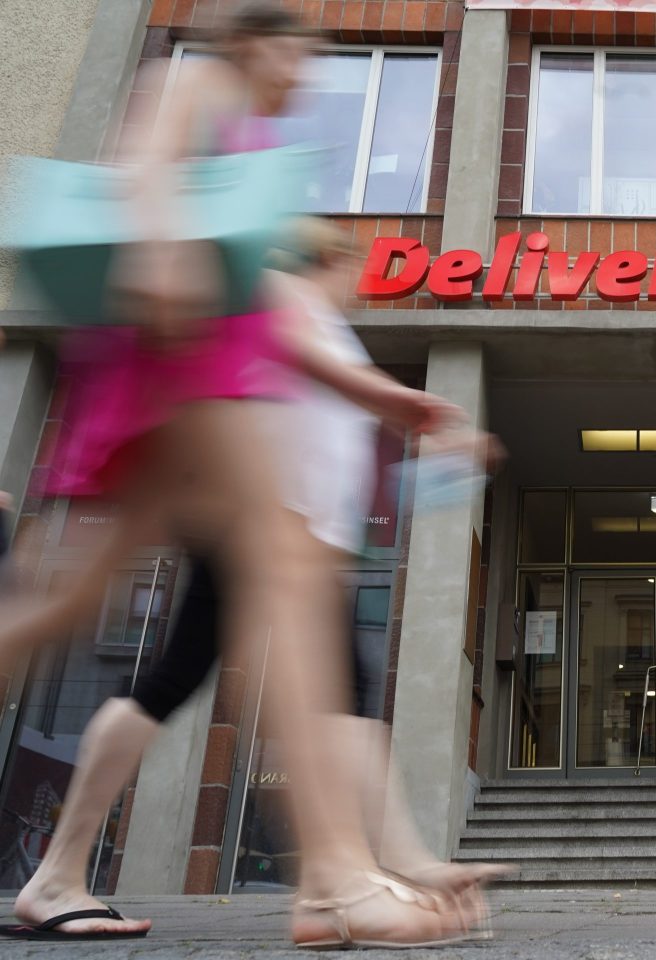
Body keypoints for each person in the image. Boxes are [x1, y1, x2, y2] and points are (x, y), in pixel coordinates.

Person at [0, 2, 474, 947]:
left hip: (197, 374)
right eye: (298, 55)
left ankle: (320, 881)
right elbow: (146, 174)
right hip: (189, 368)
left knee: (62, 606)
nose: (305, 75)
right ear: (258, 44)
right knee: (285, 579)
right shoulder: (203, 82)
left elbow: (275, 315)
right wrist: (164, 262)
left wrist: (393, 404)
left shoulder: (254, 138)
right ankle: (336, 880)